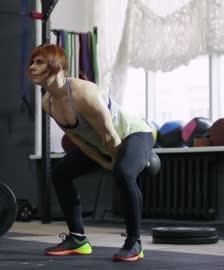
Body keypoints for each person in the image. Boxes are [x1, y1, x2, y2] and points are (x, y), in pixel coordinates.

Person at [28, 44, 154, 262]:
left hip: (132, 134)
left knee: (123, 174)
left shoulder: (84, 93)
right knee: (61, 173)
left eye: (39, 62)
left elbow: (111, 136)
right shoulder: (48, 102)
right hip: (100, 143)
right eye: (32, 62)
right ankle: (77, 239)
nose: (31, 67)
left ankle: (135, 242)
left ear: (57, 66)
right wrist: (101, 162)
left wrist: (116, 165)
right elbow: (77, 138)